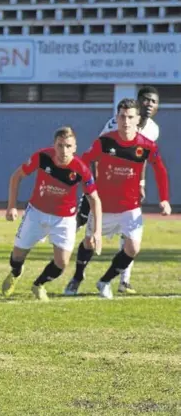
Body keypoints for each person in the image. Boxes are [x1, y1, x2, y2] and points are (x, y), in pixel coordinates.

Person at [64, 98, 171, 299]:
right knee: (88, 243)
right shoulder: (104, 142)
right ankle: (77, 278)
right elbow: (84, 163)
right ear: (117, 117)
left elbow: (160, 170)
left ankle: (104, 281)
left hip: (130, 207)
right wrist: (84, 188)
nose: (126, 121)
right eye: (122, 116)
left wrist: (164, 199)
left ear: (138, 119)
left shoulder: (146, 146)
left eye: (130, 117)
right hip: (103, 206)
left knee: (133, 248)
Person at [1, 127, 102, 301]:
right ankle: (16, 272)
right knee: (17, 257)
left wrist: (97, 231)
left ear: (75, 147)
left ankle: (38, 284)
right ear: (54, 145)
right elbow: (16, 176)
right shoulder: (42, 157)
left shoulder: (81, 169)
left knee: (62, 263)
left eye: (68, 146)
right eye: (60, 145)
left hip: (64, 218)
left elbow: (95, 199)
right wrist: (11, 206)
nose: (64, 151)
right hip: (36, 213)